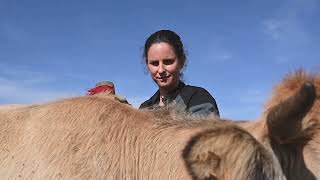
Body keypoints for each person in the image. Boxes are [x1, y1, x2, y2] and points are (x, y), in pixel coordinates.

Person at [139, 30, 219, 117]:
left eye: (168, 62)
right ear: (147, 65)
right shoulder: (144, 108)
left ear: (182, 61)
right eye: (154, 63)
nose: (161, 70)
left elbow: (204, 129)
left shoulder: (199, 98)